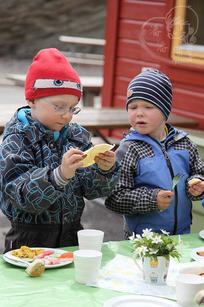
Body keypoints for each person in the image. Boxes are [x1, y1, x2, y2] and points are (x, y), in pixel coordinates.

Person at [0, 48, 119, 252]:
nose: (67, 115)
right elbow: (22, 197)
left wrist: (104, 170)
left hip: (72, 235)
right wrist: (59, 176)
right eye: (59, 106)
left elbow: (92, 191)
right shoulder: (17, 139)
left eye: (73, 108)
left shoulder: (76, 136)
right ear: (32, 101)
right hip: (28, 239)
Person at [105, 68, 204, 238]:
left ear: (165, 111)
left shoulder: (184, 143)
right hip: (141, 242)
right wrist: (152, 200)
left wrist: (197, 186)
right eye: (132, 107)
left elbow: (199, 173)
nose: (139, 113)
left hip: (182, 237)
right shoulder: (129, 149)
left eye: (148, 106)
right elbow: (114, 198)